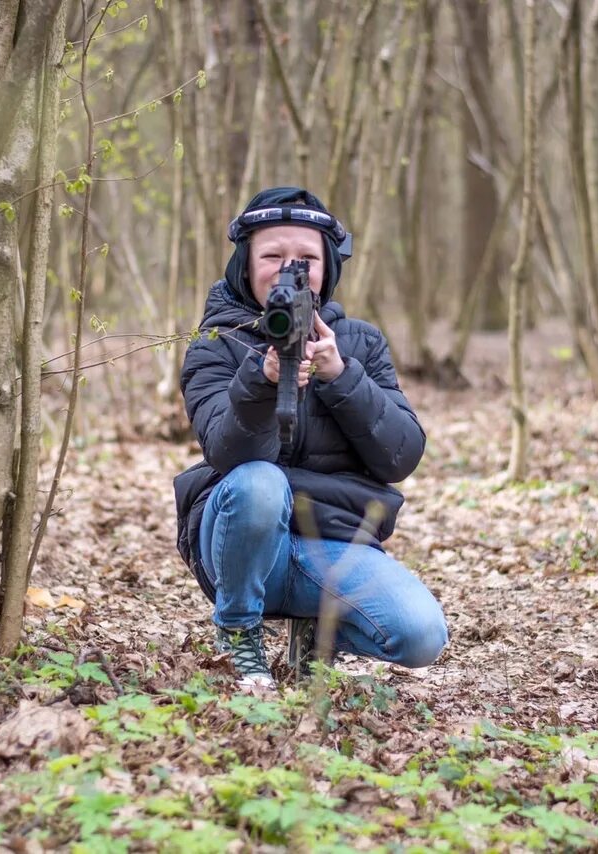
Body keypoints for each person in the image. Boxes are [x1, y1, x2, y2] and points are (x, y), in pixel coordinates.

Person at [173, 186, 448, 688]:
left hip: (331, 545)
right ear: (244, 264)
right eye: (272, 256)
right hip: (240, 543)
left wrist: (341, 375)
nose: (288, 270)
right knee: (259, 482)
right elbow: (226, 452)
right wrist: (262, 378)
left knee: (421, 635)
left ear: (328, 268)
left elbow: (401, 456)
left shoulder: (361, 343)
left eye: (305, 259)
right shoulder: (215, 345)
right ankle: (237, 633)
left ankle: (316, 634)